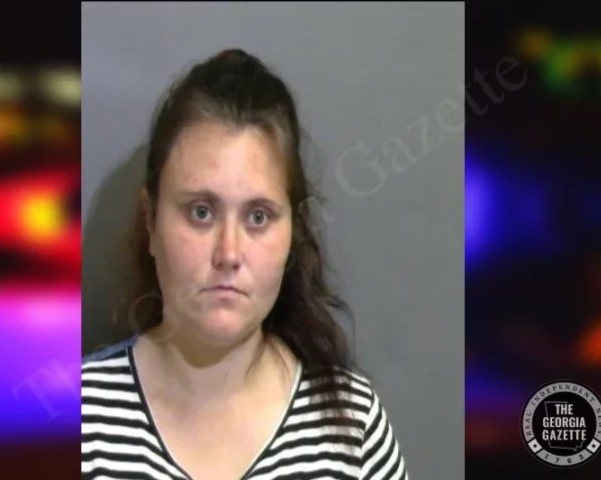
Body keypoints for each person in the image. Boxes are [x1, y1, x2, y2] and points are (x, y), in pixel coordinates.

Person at [82, 48, 410, 480]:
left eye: (258, 217)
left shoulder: (352, 429)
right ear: (151, 220)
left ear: (293, 231)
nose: (229, 254)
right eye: (201, 212)